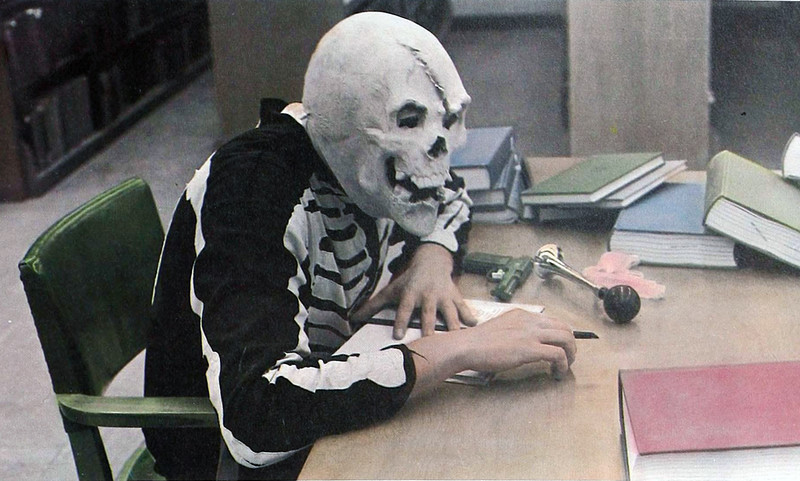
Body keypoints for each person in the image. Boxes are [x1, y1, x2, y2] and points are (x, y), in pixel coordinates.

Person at [144, 12, 577, 480]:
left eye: (450, 121)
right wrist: (458, 350)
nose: (442, 148)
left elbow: (448, 192)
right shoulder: (252, 191)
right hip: (228, 458)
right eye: (408, 121)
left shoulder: (361, 161)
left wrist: (434, 257)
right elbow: (256, 416)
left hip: (334, 397)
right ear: (347, 127)